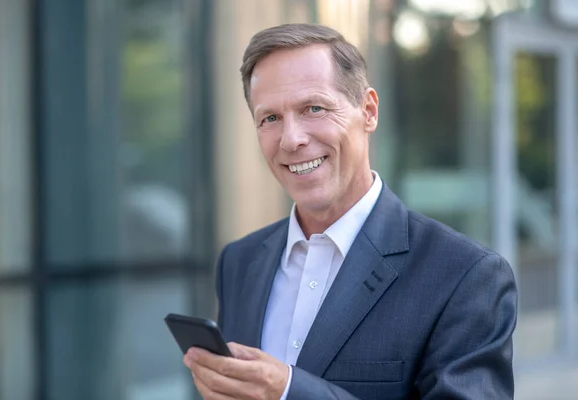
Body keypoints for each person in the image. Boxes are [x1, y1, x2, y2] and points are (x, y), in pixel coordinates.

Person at [183, 23, 517, 400]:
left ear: (369, 111)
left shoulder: (465, 275)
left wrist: (289, 392)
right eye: (270, 118)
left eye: (314, 108)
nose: (292, 139)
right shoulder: (239, 261)